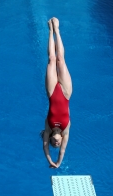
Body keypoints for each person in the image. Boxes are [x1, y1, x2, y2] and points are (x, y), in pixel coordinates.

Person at [43, 17, 72, 168]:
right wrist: (58, 163)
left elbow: (45, 148)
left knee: (51, 59)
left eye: (54, 143)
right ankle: (57, 30)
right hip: (66, 93)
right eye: (58, 143)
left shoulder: (48, 127)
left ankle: (50, 30)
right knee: (61, 59)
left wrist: (50, 161)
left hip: (52, 91)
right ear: (61, 140)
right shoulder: (66, 130)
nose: (56, 142)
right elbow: (62, 152)